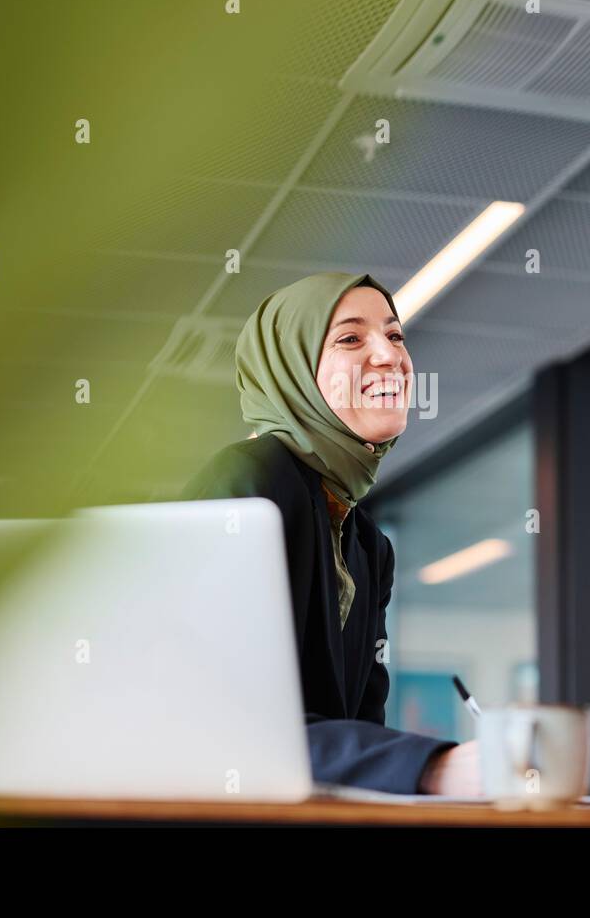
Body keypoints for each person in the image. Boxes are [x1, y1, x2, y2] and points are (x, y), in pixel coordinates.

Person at [185, 271, 481, 795]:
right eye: (350, 337)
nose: (391, 357)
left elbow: (362, 724)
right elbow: (219, 720)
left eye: (394, 335)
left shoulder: (367, 544)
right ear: (291, 372)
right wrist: (436, 768)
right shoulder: (249, 483)